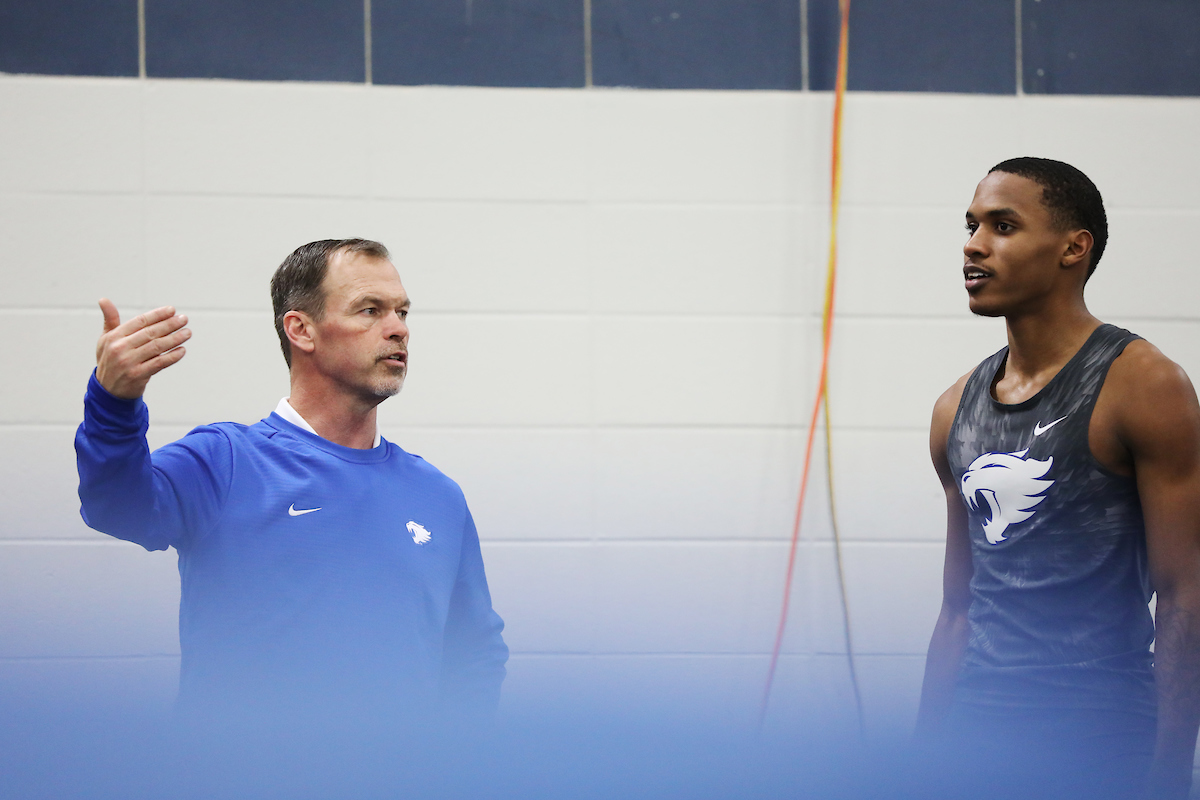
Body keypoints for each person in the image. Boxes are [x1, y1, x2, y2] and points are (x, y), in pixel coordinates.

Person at [75, 238, 508, 728]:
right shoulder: (225, 461)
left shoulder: (437, 495)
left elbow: (474, 651)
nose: (397, 330)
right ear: (301, 330)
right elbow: (116, 507)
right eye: (370, 310)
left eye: (402, 313)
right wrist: (113, 403)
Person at [915, 158, 1200, 799]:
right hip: (976, 735)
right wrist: (921, 756)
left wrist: (1170, 774)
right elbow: (959, 608)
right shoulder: (952, 411)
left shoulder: (1144, 386)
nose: (974, 244)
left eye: (1003, 225)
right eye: (971, 225)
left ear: (1074, 248)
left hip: (1101, 737)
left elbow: (1186, 595)